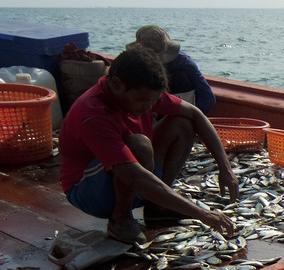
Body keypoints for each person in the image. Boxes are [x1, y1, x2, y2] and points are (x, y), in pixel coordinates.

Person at [59, 47, 237, 244]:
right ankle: (120, 219)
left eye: (153, 100)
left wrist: (225, 168)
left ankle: (157, 207)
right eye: (143, 100)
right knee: (139, 145)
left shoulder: (144, 92)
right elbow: (134, 176)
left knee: (182, 122)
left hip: (131, 177)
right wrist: (203, 214)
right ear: (116, 84)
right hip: (88, 192)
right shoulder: (92, 113)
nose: (148, 106)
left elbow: (196, 114)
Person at [130, 25, 216, 115]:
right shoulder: (138, 63)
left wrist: (192, 117)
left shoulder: (184, 64)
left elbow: (208, 97)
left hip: (178, 113)